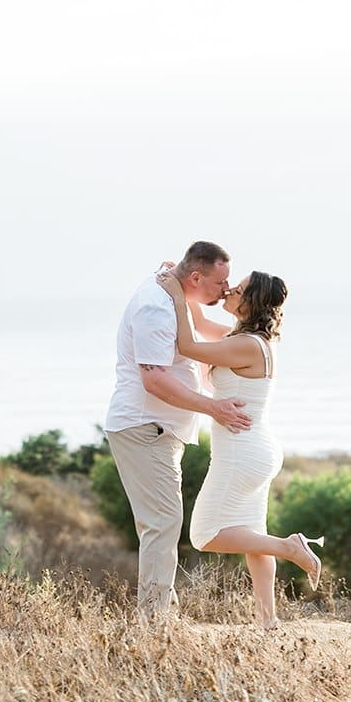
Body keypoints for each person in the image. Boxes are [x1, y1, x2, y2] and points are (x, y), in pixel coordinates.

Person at [156, 264, 323, 630]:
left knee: (204, 535)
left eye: (239, 288)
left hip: (240, 454)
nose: (230, 289)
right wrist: (183, 281)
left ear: (251, 301)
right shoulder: (249, 340)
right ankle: (269, 622)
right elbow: (197, 323)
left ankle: (291, 546)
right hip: (256, 450)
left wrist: (171, 293)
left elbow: (187, 345)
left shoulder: (245, 345)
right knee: (254, 538)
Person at [104, 241, 253, 625]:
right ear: (196, 277)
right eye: (221, 281)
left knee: (163, 523)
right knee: (163, 523)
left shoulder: (176, 298)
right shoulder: (157, 305)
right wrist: (213, 407)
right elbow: (153, 379)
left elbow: (200, 337)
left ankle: (160, 615)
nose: (226, 289)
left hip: (159, 431)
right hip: (144, 428)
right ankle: (154, 623)